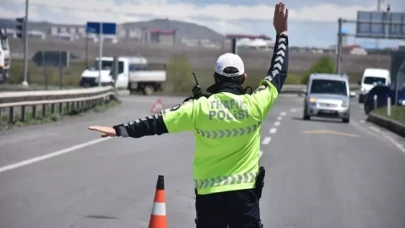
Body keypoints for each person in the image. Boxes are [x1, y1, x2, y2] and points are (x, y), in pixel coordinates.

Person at [88, 2, 289, 227]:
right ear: (243, 78)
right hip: (245, 199)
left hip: (209, 196)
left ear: (215, 77)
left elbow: (156, 122)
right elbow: (278, 71)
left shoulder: (197, 108)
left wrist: (118, 129)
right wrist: (281, 34)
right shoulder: (256, 104)